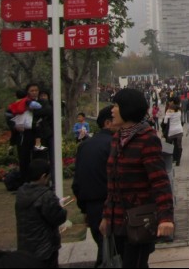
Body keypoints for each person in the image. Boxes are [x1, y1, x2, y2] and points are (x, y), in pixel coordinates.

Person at [100, 88, 175, 268]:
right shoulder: (117, 138)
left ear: (128, 108)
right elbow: (113, 183)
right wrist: (106, 216)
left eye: (116, 105)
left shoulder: (147, 138)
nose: (112, 110)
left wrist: (166, 217)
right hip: (117, 220)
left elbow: (159, 181)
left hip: (140, 220)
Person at [72, 105, 114, 268]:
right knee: (111, 253)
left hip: (92, 206)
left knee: (103, 249)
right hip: (110, 206)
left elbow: (78, 182)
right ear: (108, 123)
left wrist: (84, 209)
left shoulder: (85, 146)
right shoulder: (114, 144)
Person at [15, 158, 68, 267]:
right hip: (45, 249)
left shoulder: (21, 193)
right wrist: (61, 207)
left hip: (25, 248)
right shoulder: (45, 196)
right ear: (43, 176)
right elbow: (58, 218)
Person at [162, 100, 184, 167]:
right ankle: (178, 161)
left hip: (171, 132)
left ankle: (170, 160)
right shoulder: (179, 112)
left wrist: (167, 113)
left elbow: (165, 122)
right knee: (179, 146)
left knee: (169, 146)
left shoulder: (169, 113)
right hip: (179, 130)